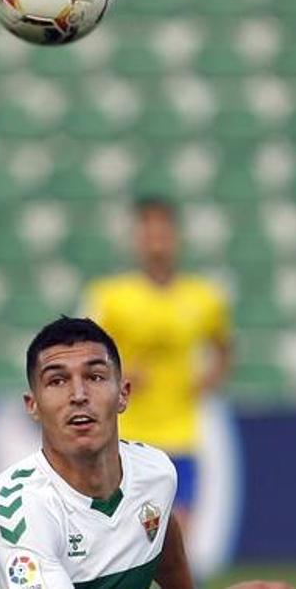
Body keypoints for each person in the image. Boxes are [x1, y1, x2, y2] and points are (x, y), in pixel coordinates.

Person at [0, 316, 286, 589]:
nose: (79, 394)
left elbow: (166, 557)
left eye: (95, 376)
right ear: (33, 406)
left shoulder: (155, 472)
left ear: (123, 394)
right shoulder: (20, 512)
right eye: (57, 381)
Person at [81, 197, 233, 527]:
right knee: (121, 536)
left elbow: (224, 348)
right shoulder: (111, 296)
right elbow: (84, 354)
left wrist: (208, 379)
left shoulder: (203, 297)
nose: (156, 244)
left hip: (181, 435)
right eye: (148, 235)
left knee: (177, 532)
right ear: (136, 241)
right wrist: (117, 373)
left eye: (163, 235)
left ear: (177, 239)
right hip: (125, 435)